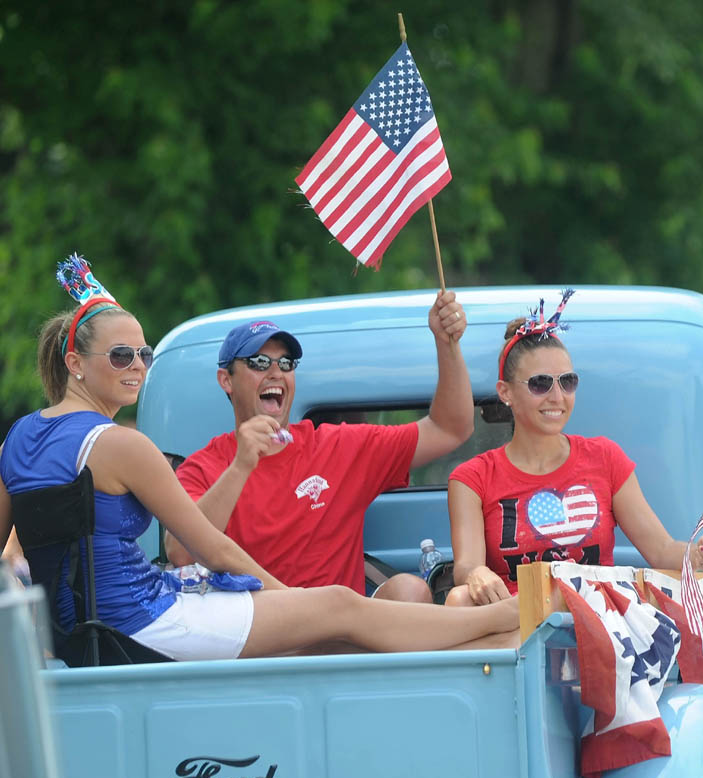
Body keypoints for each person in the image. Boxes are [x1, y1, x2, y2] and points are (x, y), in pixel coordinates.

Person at [0, 254, 519, 661]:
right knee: (337, 604)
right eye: (120, 355)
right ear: (75, 363)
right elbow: (205, 551)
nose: (137, 366)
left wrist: (40, 634)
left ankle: (500, 633)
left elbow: (12, 557)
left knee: (375, 601)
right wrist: (294, 601)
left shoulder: (17, 441)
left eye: (144, 354)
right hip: (144, 620)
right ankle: (514, 618)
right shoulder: (124, 444)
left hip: (87, 634)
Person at [164, 290, 474, 603]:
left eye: (286, 363)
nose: (276, 372)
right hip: (258, 637)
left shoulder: (335, 445)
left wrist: (446, 343)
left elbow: (450, 429)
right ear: (226, 380)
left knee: (410, 590)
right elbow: (180, 553)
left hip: (339, 639)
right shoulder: (204, 467)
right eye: (259, 362)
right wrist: (242, 465)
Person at [445, 291, 703, 607]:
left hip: (599, 619)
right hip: (515, 621)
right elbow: (466, 566)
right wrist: (476, 574)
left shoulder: (605, 458)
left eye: (567, 381)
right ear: (505, 392)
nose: (557, 396)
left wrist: (699, 555)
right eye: (540, 383)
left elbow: (660, 549)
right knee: (460, 599)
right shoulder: (472, 477)